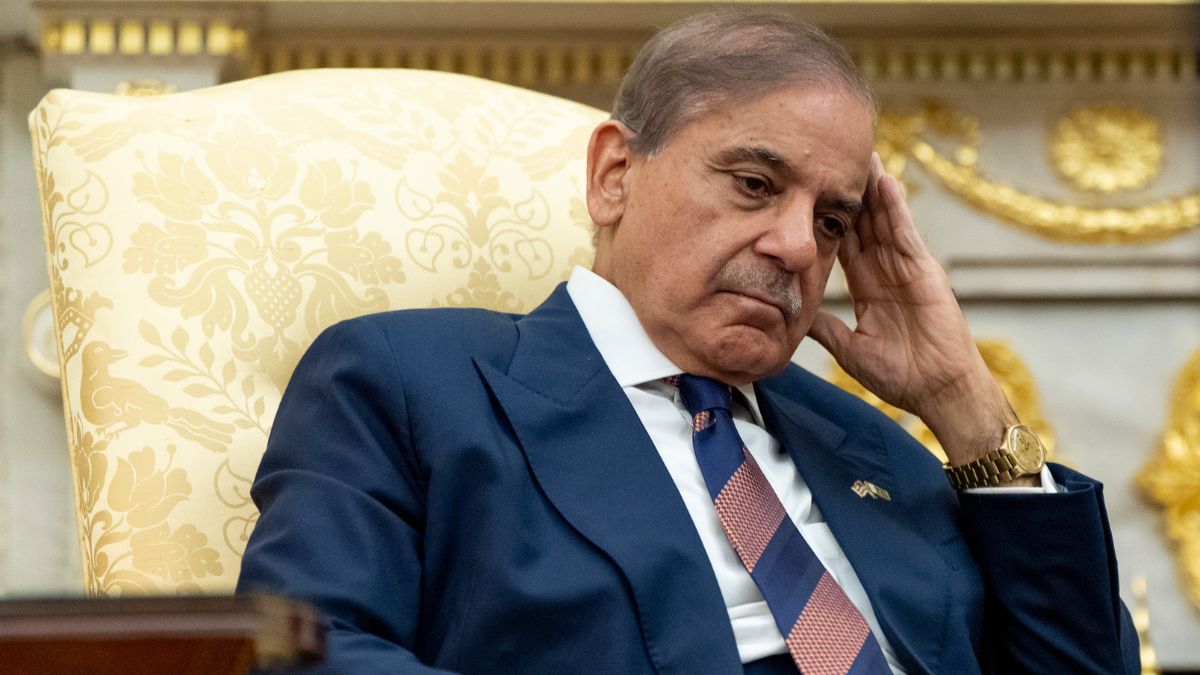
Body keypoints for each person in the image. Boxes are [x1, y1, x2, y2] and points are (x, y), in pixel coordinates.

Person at [238, 10, 1139, 674]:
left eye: (832, 220)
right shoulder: (410, 381)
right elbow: (305, 654)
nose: (797, 247)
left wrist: (962, 401)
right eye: (754, 183)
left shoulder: (871, 447)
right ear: (615, 175)